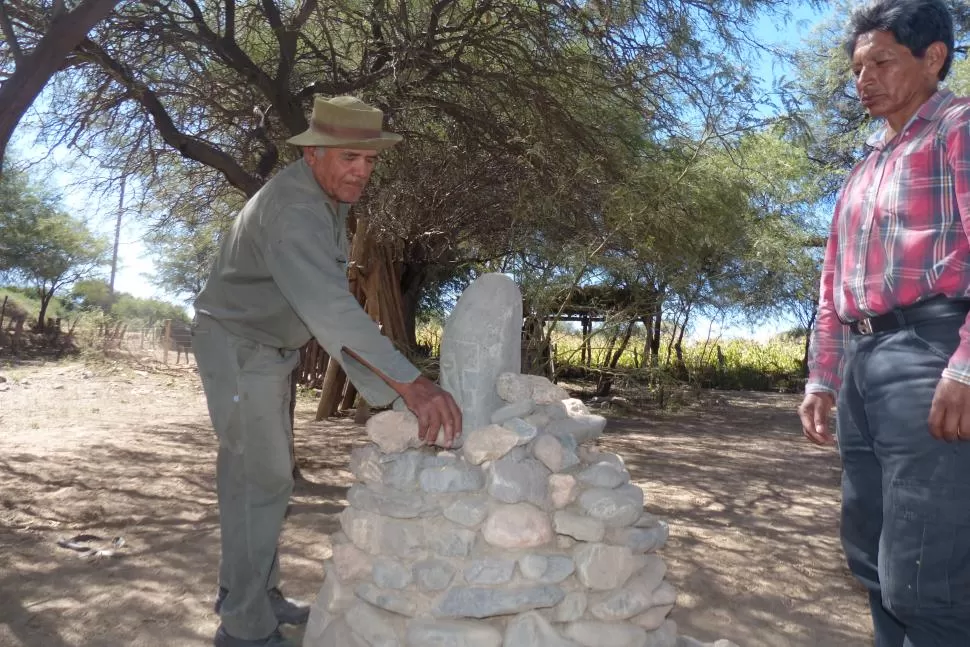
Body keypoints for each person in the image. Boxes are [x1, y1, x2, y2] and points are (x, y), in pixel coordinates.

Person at [192, 95, 463, 647]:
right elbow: (331, 309)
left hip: (264, 351)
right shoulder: (295, 209)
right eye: (348, 158)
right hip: (241, 349)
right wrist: (408, 384)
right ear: (315, 154)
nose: (361, 171)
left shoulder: (322, 197)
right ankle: (243, 627)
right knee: (261, 479)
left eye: (369, 161)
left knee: (253, 478)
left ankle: (250, 592)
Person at [798, 1, 970, 644]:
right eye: (857, 67)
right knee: (871, 557)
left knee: (928, 577)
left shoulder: (959, 126)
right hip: (863, 366)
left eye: (882, 62)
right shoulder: (864, 167)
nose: (864, 79)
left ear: (933, 58)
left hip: (933, 350)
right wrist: (823, 379)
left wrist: (966, 365)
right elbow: (832, 284)